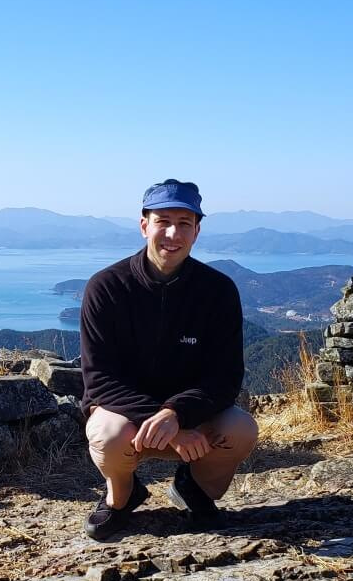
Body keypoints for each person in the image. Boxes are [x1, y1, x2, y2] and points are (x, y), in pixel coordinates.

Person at [79, 178, 259, 539]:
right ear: (144, 225)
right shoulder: (107, 288)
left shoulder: (217, 291)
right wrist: (162, 422)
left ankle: (195, 489)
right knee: (107, 432)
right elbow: (98, 379)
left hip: (191, 416)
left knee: (241, 429)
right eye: (163, 221)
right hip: (128, 419)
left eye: (184, 223)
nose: (172, 233)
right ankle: (121, 497)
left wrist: (176, 413)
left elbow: (225, 377)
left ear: (196, 232)